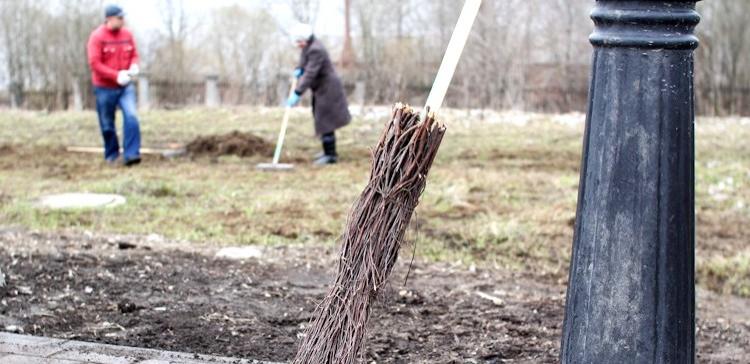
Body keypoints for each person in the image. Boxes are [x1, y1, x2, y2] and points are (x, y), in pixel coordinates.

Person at [287, 23, 351, 165]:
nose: (298, 44)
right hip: (321, 88)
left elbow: (310, 74)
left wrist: (297, 92)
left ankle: (331, 155)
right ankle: (326, 151)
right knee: (320, 118)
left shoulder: (316, 49)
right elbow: (304, 63)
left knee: (325, 120)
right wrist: (299, 69)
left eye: (299, 41)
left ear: (305, 38)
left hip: (328, 88)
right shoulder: (308, 46)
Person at [87, 5, 141, 166]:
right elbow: (94, 63)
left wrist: (134, 66)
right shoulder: (97, 37)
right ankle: (112, 155)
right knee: (107, 123)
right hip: (104, 87)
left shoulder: (127, 34)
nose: (123, 20)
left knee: (131, 116)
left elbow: (134, 55)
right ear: (109, 19)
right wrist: (116, 75)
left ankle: (132, 154)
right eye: (119, 18)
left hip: (125, 87)